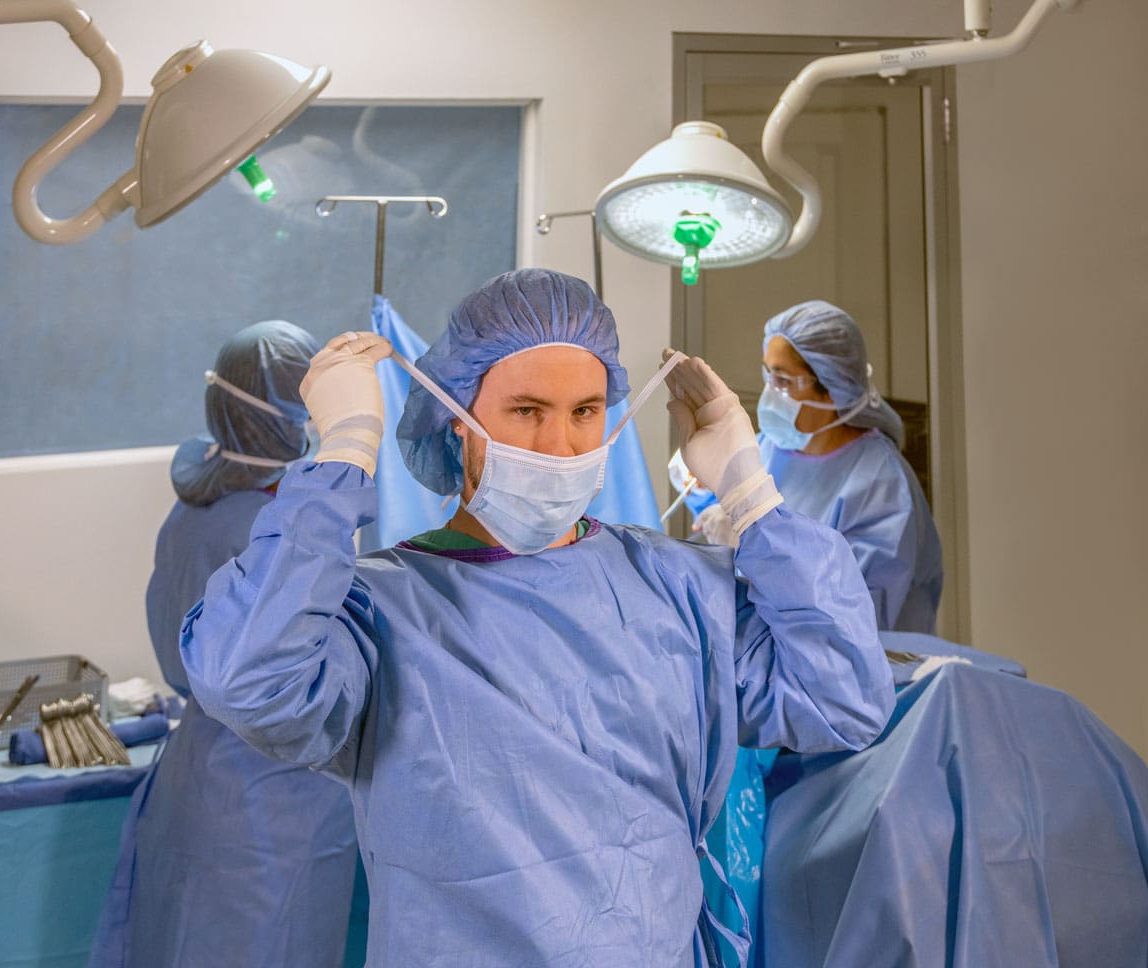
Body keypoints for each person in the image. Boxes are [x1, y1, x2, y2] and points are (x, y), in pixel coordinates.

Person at [181, 269, 895, 967]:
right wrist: (341, 459)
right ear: (454, 419)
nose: (561, 447)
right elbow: (248, 679)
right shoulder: (383, 613)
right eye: (527, 411)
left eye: (586, 411)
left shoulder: (675, 585)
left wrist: (750, 493)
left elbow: (843, 700)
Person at [88, 321, 360, 968]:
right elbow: (311, 679)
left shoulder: (195, 508)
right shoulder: (279, 534)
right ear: (290, 415)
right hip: (271, 804)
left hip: (198, 774)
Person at [686, 300, 942, 635]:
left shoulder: (881, 488)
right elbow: (733, 522)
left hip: (842, 674)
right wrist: (707, 492)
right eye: (768, 374)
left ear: (833, 388)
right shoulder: (770, 447)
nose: (769, 394)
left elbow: (851, 615)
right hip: (762, 654)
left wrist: (754, 546)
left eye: (783, 380)